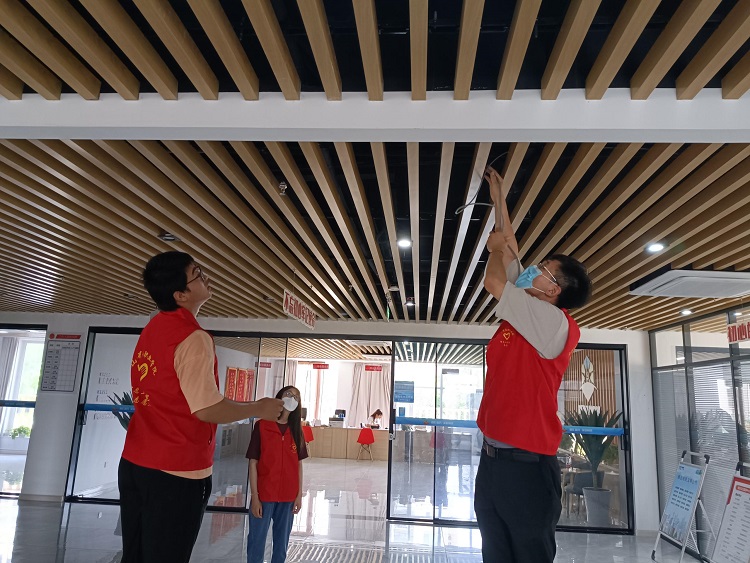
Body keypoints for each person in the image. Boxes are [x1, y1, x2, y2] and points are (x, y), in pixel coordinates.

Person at [118, 251, 283, 563]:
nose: (206, 278)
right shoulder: (192, 338)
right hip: (176, 470)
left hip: (135, 462)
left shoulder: (154, 328)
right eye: (197, 274)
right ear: (180, 295)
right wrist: (257, 408)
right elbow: (207, 409)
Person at [474, 167, 592, 563]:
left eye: (542, 269)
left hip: (526, 468)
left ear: (554, 290)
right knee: (495, 553)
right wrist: (499, 197)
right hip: (493, 461)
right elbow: (511, 251)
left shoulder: (554, 322)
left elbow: (495, 277)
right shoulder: (524, 309)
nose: (532, 269)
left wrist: (493, 249)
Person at [246, 386, 307, 563]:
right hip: (264, 495)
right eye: (289, 394)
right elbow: (253, 462)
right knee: (256, 543)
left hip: (288, 498)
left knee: (281, 547)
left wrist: (298, 495)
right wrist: (255, 497)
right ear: (279, 397)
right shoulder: (262, 426)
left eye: (296, 397)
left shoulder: (296, 431)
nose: (292, 399)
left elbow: (299, 465)